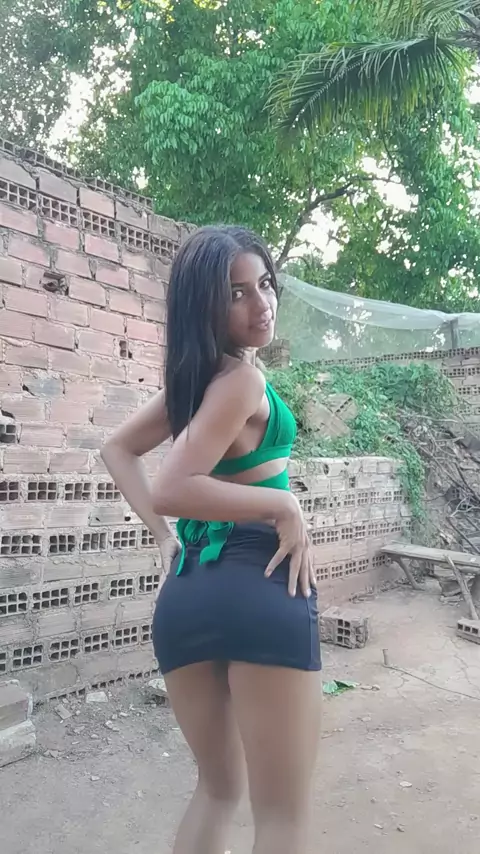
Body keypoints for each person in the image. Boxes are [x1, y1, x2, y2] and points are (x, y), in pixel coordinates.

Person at [101, 225, 322, 854]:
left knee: (217, 791)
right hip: (261, 583)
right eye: (236, 293)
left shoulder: (193, 384)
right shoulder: (242, 382)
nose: (262, 303)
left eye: (265, 284)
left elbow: (117, 450)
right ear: (205, 305)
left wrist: (165, 541)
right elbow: (172, 487)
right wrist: (281, 503)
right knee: (281, 816)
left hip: (188, 592)